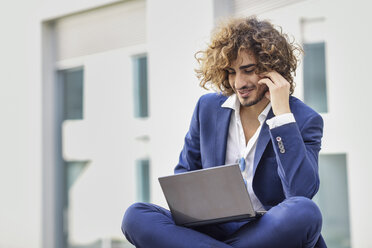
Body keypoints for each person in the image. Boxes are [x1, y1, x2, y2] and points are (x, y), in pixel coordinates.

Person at [121, 16, 327, 248]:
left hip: (266, 231)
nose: (238, 83)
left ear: (273, 69)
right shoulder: (207, 108)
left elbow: (300, 192)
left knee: (305, 212)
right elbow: (185, 176)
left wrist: (282, 117)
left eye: (248, 70)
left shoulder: (303, 119)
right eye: (231, 72)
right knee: (136, 215)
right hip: (209, 231)